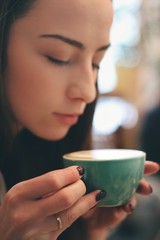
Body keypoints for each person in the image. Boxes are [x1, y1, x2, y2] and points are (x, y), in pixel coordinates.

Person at [0, 0, 159, 240]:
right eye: (59, 57)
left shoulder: (36, 154)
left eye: (97, 63)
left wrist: (92, 231)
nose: (89, 92)